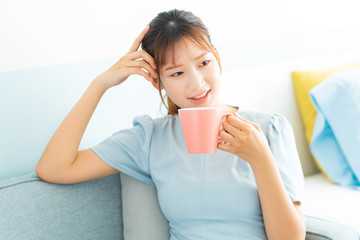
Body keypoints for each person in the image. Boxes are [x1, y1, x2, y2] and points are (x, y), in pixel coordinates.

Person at [36, 9, 306, 240]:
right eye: (176, 72)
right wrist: (101, 84)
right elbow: (54, 168)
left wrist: (261, 160)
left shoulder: (268, 129)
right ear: (157, 81)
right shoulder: (150, 138)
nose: (196, 83)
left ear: (218, 59)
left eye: (204, 63)